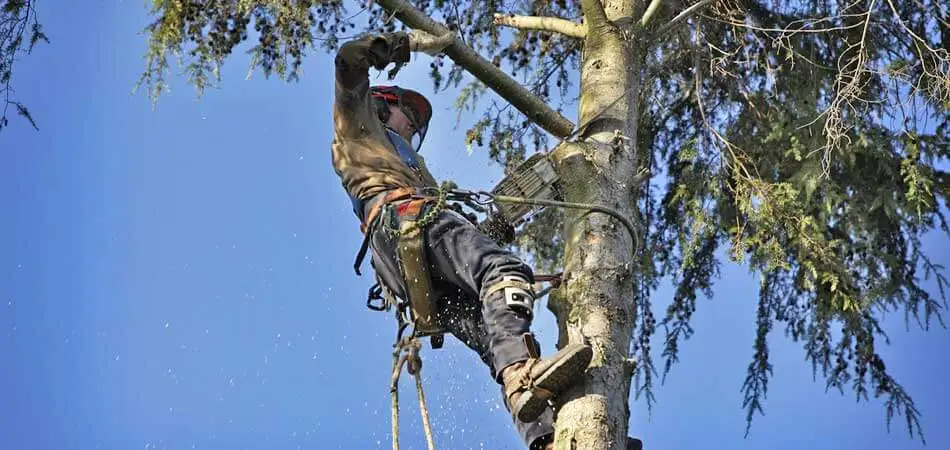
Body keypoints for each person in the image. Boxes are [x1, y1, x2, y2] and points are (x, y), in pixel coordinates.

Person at [330, 29, 594, 450]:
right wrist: (397, 46)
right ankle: (523, 375)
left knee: (498, 339)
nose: (413, 127)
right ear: (381, 103)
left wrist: (499, 224)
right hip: (401, 221)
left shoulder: (415, 169)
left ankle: (546, 437)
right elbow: (348, 61)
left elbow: (454, 248)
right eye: (409, 116)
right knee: (504, 270)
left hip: (412, 275)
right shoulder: (357, 123)